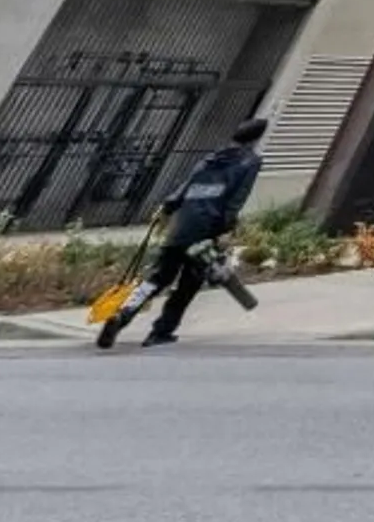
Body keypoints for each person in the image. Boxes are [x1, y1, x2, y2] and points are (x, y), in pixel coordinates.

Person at [97, 118, 267, 349]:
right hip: (208, 229)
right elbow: (236, 199)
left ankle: (122, 315)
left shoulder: (209, 158)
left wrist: (167, 208)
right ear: (256, 138)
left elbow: (184, 188)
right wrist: (226, 227)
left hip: (182, 225)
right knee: (187, 285)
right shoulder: (250, 162)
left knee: (157, 279)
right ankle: (160, 332)